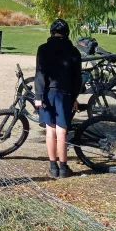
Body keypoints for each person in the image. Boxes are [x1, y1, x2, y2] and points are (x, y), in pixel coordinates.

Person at [34, 18, 82, 179]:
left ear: (52, 32)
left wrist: (38, 96)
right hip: (65, 94)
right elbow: (77, 79)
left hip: (48, 93)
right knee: (62, 131)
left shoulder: (43, 49)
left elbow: (40, 74)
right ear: (67, 33)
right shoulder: (74, 51)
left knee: (50, 130)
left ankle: (53, 166)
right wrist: (74, 97)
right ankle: (63, 167)